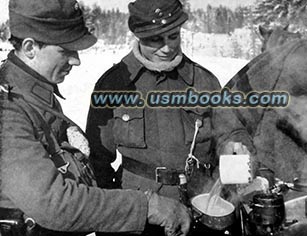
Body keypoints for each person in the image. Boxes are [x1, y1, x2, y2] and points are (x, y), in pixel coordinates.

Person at [0, 0, 191, 236]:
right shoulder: (7, 110)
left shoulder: (35, 93)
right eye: (65, 50)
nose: (76, 60)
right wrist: (147, 206)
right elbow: (54, 203)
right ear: (30, 48)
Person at [86, 0, 255, 235]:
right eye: (156, 40)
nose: (167, 48)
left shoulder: (204, 82)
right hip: (141, 212)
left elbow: (230, 132)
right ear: (138, 36)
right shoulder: (114, 85)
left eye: (173, 37)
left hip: (200, 205)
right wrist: (112, 216)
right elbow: (97, 161)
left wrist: (235, 146)